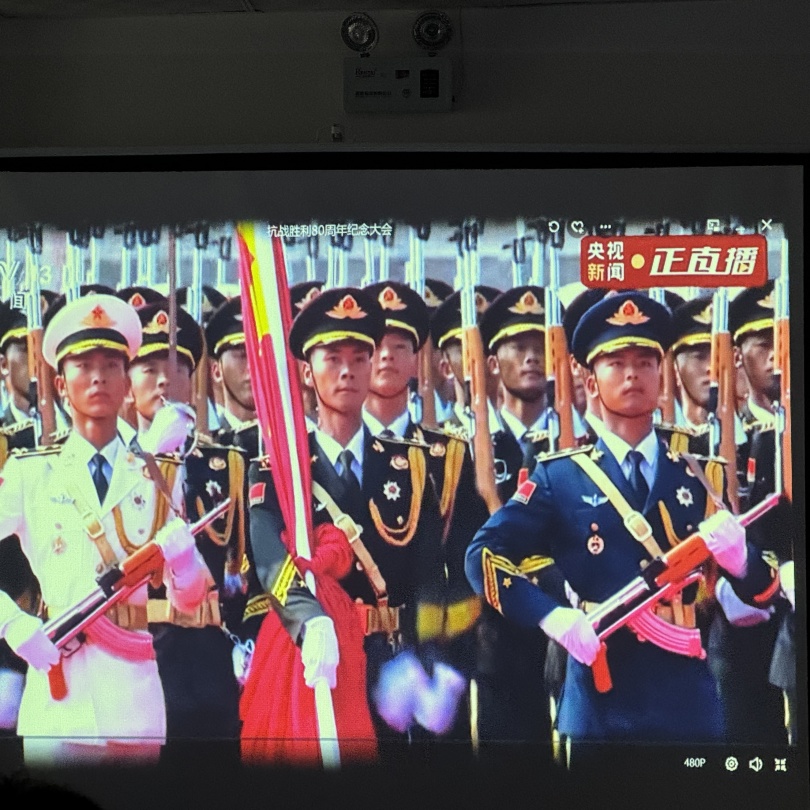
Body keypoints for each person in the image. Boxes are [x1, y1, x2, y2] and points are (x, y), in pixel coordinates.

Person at [465, 292, 782, 767]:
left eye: (645, 362)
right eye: (616, 363)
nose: (633, 374)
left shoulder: (701, 475)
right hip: (601, 702)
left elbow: (764, 591)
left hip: (687, 702)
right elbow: (482, 556)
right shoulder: (559, 477)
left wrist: (742, 562)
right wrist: (551, 616)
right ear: (591, 381)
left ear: (662, 376)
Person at [0, 294, 211, 765]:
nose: (98, 377)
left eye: (111, 366)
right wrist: (11, 623)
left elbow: (189, 599)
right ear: (60, 383)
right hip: (59, 698)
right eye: (84, 366)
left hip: (133, 701)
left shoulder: (159, 473)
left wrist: (184, 563)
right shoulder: (31, 472)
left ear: (127, 381)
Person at [243, 287, 447, 763]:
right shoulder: (279, 470)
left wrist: (429, 660)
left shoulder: (410, 464)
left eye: (359, 358)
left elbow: (429, 575)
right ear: (307, 372)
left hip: (390, 660)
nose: (347, 371)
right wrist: (308, 620)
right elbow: (268, 558)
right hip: (318, 657)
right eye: (333, 358)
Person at [362, 281, 489, 754]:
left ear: (419, 361)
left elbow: (464, 569)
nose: (386, 356)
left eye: (401, 346)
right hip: (349, 662)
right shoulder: (331, 454)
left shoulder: (448, 455)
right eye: (375, 345)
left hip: (432, 662)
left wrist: (448, 668)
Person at [124, 299, 246, 753]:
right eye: (149, 368)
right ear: (126, 382)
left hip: (209, 667)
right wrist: (148, 460)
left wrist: (249, 643)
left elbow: (246, 575)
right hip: (138, 657)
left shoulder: (227, 464)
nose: (163, 380)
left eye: (177, 368)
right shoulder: (114, 469)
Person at [204, 298, 256, 436]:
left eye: (261, 357)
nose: (253, 367)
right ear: (217, 372)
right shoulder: (210, 442)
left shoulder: (295, 441)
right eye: (242, 356)